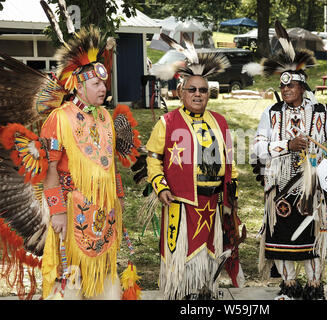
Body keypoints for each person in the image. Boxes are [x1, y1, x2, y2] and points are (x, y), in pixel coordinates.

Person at [250, 21, 327, 300]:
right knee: (281, 237)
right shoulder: (271, 113)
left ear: (302, 86)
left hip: (313, 186)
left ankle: (314, 286)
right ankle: (289, 285)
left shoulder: (319, 112)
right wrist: (285, 145)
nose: (285, 89)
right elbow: (256, 148)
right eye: (283, 85)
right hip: (279, 186)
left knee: (313, 237)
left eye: (291, 85)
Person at [146, 33, 241, 300]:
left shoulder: (220, 122)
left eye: (203, 90)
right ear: (180, 92)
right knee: (182, 255)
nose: (198, 94)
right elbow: (153, 158)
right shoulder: (168, 122)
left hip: (212, 203)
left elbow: (229, 162)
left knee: (210, 252)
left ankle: (204, 293)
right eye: (193, 89)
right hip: (181, 201)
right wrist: (160, 186)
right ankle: (182, 295)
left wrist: (229, 197)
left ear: (209, 94)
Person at [39, 26, 125, 300]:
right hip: (71, 208)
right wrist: (57, 212)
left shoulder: (104, 117)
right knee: (70, 286)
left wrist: (119, 197)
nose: (104, 88)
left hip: (103, 212)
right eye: (97, 84)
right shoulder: (58, 119)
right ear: (78, 84)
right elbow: (48, 170)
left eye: (105, 82)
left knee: (108, 286)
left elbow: (110, 162)